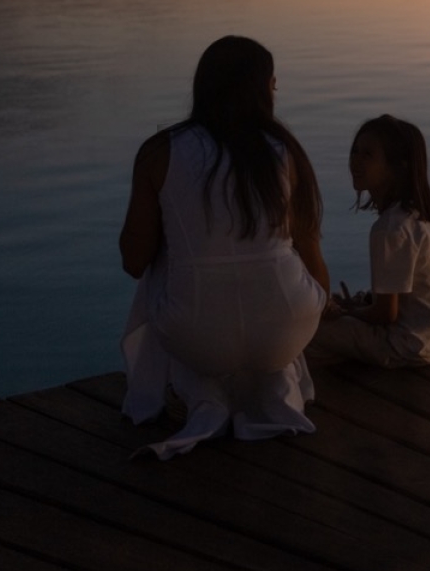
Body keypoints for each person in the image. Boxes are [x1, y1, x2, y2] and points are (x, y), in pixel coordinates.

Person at [119, 35, 329, 458]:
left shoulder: (161, 152)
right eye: (273, 83)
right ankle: (267, 381)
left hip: (196, 333)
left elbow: (134, 262)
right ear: (261, 88)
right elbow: (312, 259)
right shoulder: (286, 151)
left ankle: (194, 390)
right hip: (286, 329)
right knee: (270, 263)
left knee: (169, 260)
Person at [309, 114, 430, 367]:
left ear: (397, 167)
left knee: (305, 328)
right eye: (355, 151)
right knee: (333, 311)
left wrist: (348, 313)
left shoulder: (389, 229)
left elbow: (385, 314)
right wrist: (360, 304)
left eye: (367, 155)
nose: (355, 161)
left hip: (408, 344)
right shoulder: (419, 216)